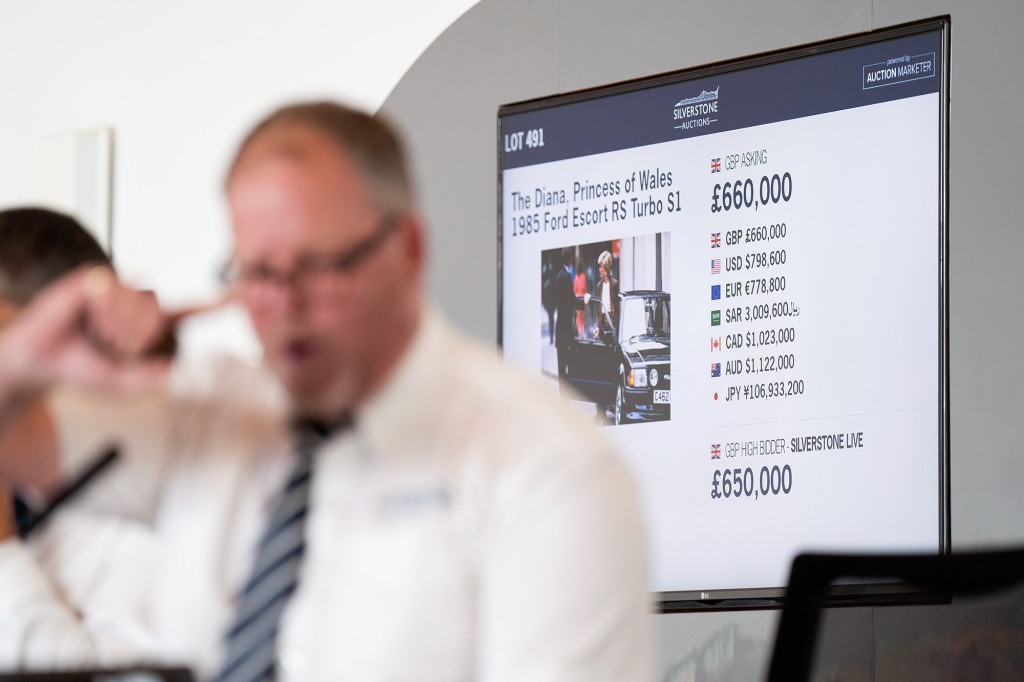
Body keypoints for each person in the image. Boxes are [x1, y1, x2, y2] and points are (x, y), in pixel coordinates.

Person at [0, 102, 653, 680]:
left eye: (318, 267)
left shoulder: (542, 463)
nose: (285, 307)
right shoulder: (210, 418)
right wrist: (33, 352)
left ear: (409, 252)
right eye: (258, 273)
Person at [594, 250, 619, 335]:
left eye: (601, 267)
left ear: (606, 269)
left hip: (612, 326)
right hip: (602, 326)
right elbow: (597, 310)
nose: (599, 269)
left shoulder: (614, 284)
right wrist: (597, 326)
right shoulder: (598, 286)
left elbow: (617, 308)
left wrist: (617, 327)